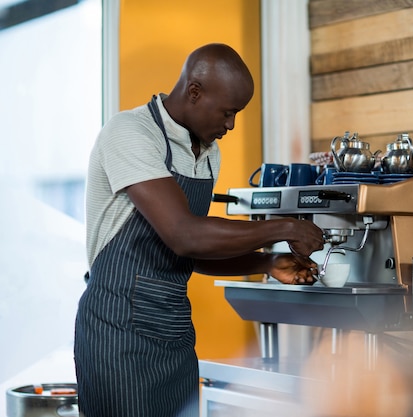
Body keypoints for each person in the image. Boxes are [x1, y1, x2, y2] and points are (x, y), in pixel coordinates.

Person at [74, 43, 325, 417]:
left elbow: (192, 251)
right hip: (117, 332)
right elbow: (184, 233)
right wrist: (284, 227)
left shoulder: (207, 153)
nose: (231, 125)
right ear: (194, 91)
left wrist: (268, 263)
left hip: (173, 330)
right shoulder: (130, 132)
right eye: (227, 112)